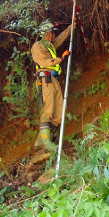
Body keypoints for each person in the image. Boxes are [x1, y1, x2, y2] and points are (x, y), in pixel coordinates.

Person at [31, 21, 73, 152]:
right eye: (52, 32)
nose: (54, 35)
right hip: (45, 79)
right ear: (47, 34)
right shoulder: (37, 46)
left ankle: (41, 141)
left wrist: (72, 26)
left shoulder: (50, 46)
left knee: (59, 111)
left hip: (54, 79)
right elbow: (42, 61)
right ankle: (46, 142)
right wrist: (60, 59)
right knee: (48, 109)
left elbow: (61, 38)